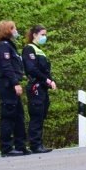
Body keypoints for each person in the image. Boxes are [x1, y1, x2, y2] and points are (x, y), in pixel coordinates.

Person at [0, 20, 28, 156]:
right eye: (13, 28)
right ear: (7, 30)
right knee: (8, 116)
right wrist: (15, 83)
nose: (16, 31)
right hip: (8, 85)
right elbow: (6, 67)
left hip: (13, 84)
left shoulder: (10, 46)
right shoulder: (3, 47)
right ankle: (6, 148)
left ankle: (21, 146)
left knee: (19, 116)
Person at [21, 24, 57, 154]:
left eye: (45, 35)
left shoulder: (39, 50)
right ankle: (35, 145)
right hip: (36, 86)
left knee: (41, 115)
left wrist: (51, 80)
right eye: (42, 34)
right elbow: (32, 69)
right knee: (36, 115)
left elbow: (44, 70)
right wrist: (46, 80)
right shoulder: (29, 49)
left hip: (42, 87)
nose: (44, 37)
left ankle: (38, 143)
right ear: (34, 35)